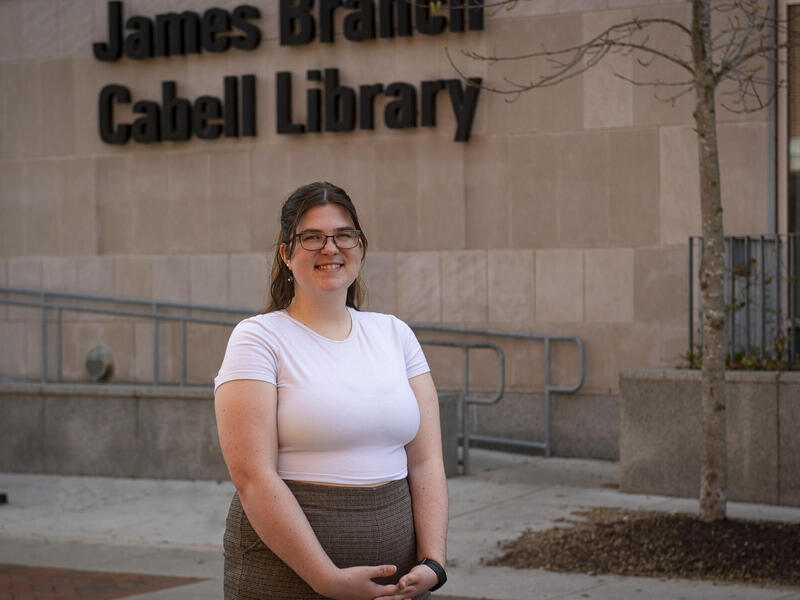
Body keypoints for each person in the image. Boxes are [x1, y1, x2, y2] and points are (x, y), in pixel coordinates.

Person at [214, 181, 448, 600]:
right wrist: (326, 579)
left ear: (360, 246)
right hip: (285, 579)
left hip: (401, 587)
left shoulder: (395, 333)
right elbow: (252, 477)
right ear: (286, 253)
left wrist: (434, 563)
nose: (331, 248)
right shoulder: (258, 338)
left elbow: (427, 461)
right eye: (312, 237)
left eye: (344, 235)